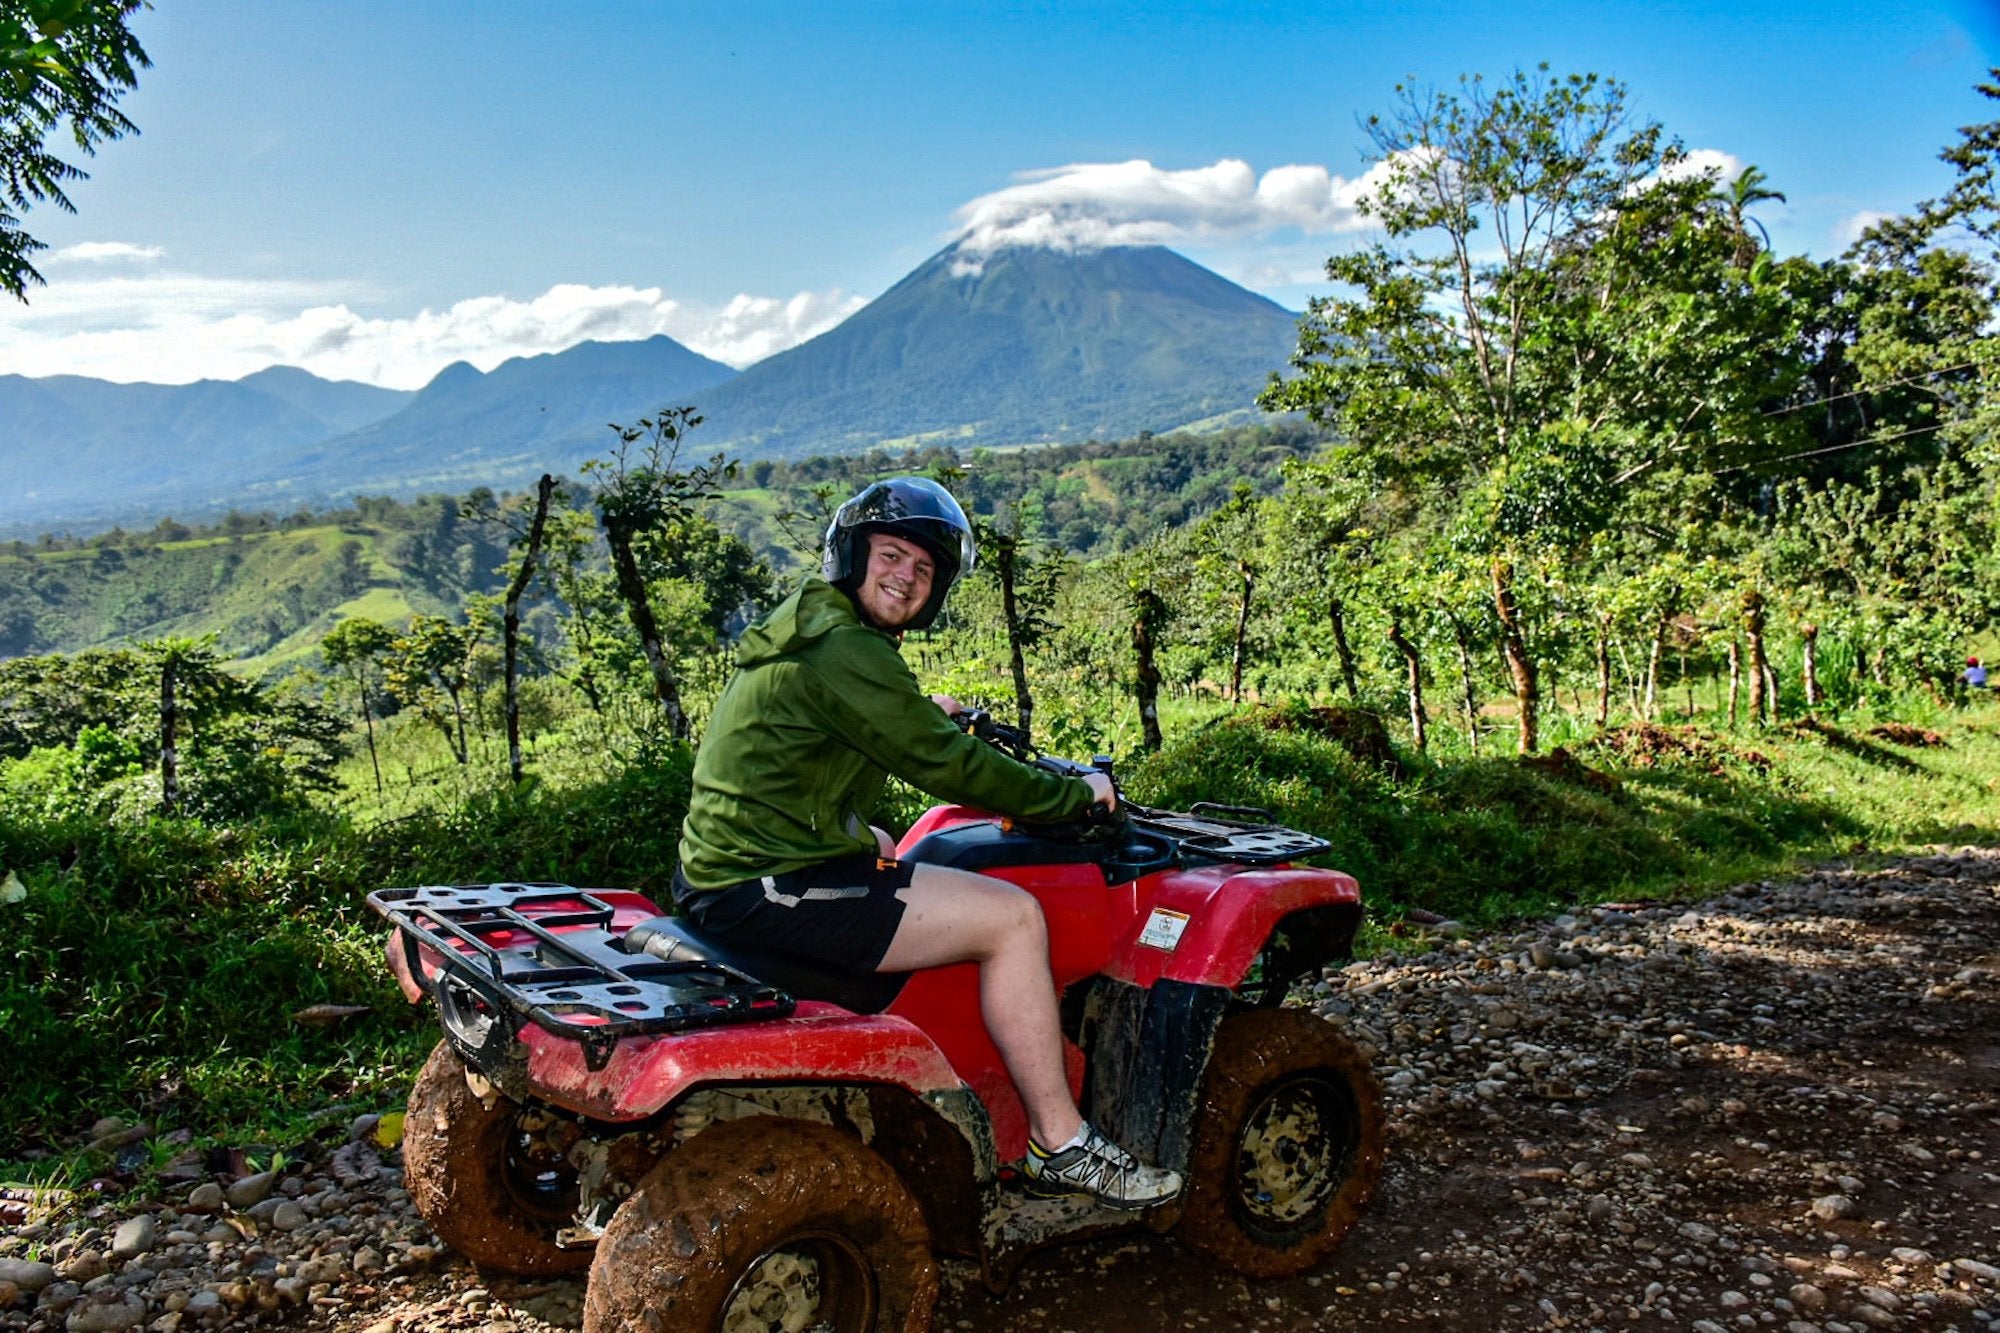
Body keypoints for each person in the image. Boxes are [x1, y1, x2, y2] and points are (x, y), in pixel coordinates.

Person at [673, 476, 1181, 1210]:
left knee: (887, 838)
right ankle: (1061, 1141)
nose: (906, 576)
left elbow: (841, 726)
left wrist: (917, 709)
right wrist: (1076, 796)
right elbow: (951, 767)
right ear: (854, 556)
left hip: (739, 859)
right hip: (765, 884)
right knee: (1012, 917)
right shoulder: (847, 649)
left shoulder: (810, 621)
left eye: (923, 568)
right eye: (891, 555)